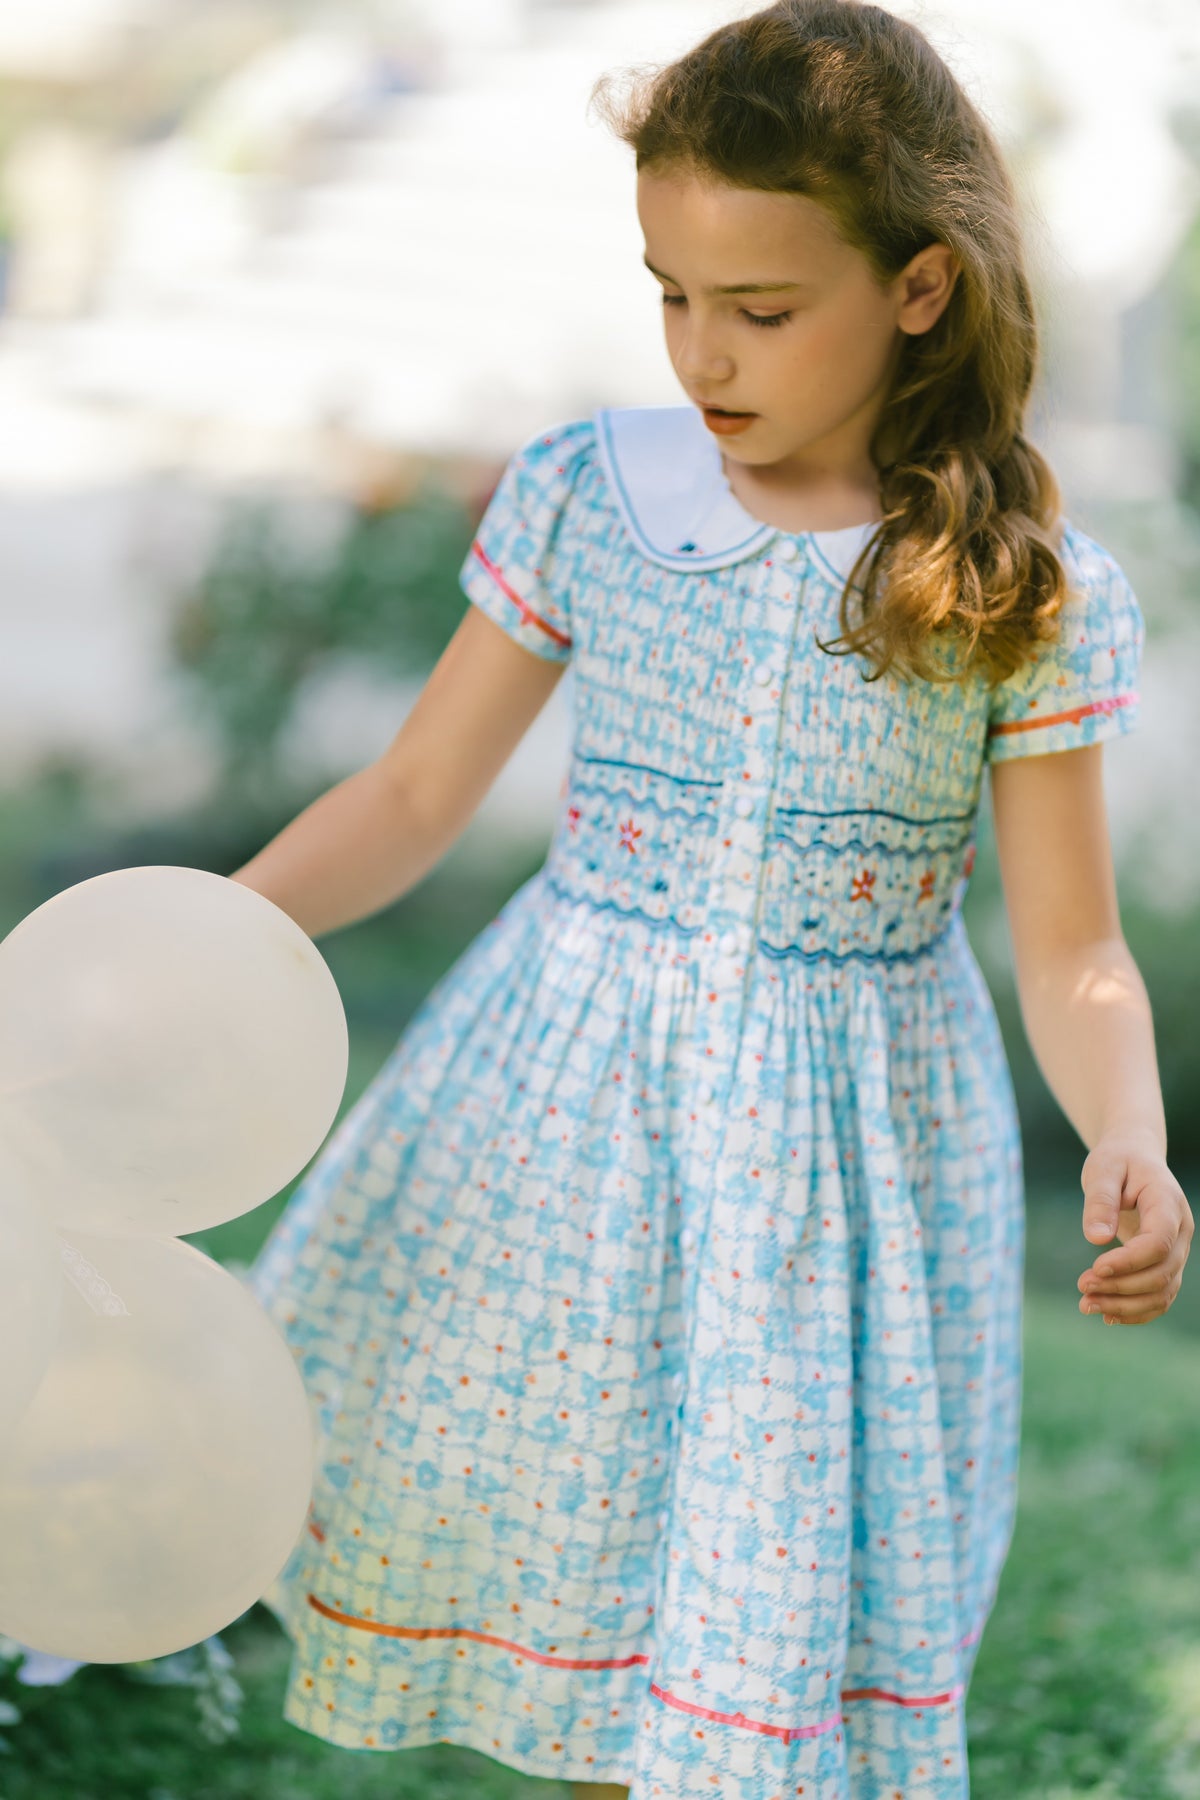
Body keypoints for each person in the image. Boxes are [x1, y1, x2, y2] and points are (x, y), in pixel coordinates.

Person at [229, 3, 1193, 1796]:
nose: (702, 354)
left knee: (757, 1614)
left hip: (844, 1155)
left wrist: (1125, 1129)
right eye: (673, 294)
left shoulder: (1019, 585)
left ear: (921, 288)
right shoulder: (594, 494)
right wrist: (222, 938)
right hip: (572, 1112)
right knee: (595, 1561)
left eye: (760, 311)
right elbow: (417, 792)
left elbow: (1073, 950)